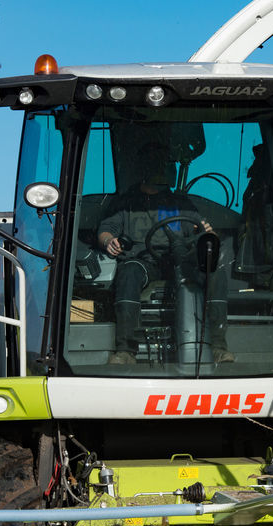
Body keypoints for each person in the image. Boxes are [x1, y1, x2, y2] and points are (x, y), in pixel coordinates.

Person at [97, 143, 234, 364]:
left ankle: (217, 347)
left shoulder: (181, 202)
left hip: (180, 260)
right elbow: (105, 231)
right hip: (142, 261)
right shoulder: (125, 202)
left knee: (213, 272)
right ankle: (126, 351)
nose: (168, 169)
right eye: (163, 165)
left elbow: (203, 231)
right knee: (129, 272)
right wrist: (108, 241)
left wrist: (208, 234)